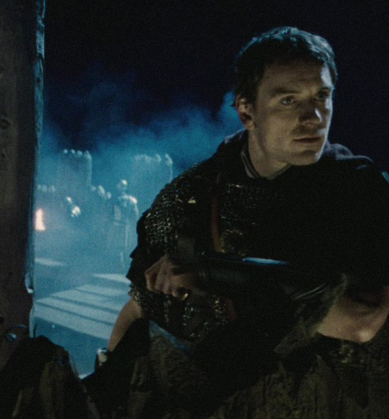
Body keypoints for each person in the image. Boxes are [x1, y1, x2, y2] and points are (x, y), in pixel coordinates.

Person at [102, 27, 389, 376]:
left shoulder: (355, 188)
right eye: (288, 101)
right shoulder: (191, 195)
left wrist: (213, 274)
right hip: (210, 395)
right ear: (247, 112)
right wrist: (110, 376)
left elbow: (362, 319)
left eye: (321, 96)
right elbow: (139, 308)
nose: (313, 118)